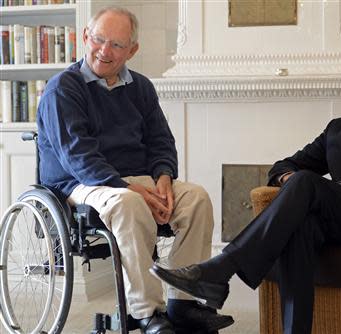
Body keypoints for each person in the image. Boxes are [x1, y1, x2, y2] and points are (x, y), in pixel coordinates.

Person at [151, 45, 341, 334]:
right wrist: (289, 178)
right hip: (336, 221)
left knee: (306, 182)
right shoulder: (338, 129)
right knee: (301, 224)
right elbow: (283, 165)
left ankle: (221, 268)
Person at [37, 6, 234, 334]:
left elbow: (160, 140)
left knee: (196, 198)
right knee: (129, 204)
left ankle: (183, 305)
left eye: (116, 44)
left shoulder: (141, 87)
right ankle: (145, 311)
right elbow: (78, 155)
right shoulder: (63, 89)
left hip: (136, 177)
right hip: (81, 181)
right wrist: (128, 188)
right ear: (86, 36)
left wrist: (164, 178)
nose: (104, 50)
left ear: (132, 50)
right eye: (99, 39)